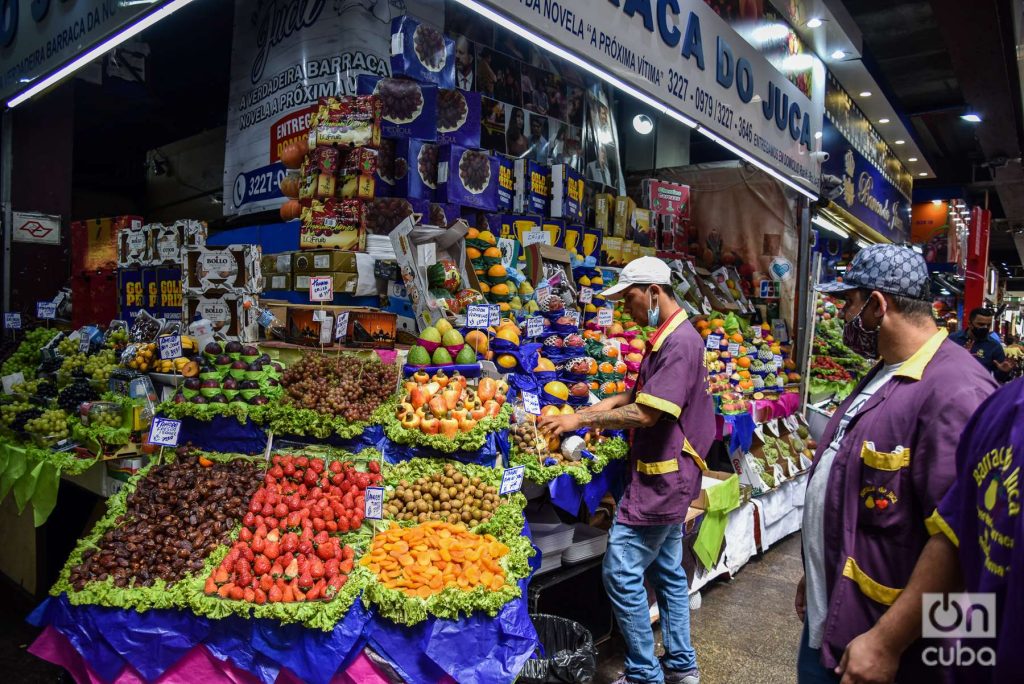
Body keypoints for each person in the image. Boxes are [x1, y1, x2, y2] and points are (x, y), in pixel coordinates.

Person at [795, 245, 997, 683]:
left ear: (878, 305)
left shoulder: (956, 391)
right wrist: (817, 572)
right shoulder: (889, 368)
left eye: (849, 303)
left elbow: (959, 536)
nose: (846, 314)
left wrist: (888, 641)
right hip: (836, 610)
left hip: (880, 642)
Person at [538, 257, 714, 684]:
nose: (627, 309)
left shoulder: (678, 344)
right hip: (671, 475)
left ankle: (642, 673)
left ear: (654, 292)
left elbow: (648, 415)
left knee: (620, 570)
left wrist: (580, 421)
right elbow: (637, 396)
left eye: (630, 298)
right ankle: (681, 666)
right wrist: (599, 406)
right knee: (669, 571)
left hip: (661, 479)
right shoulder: (671, 336)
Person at [950, 308, 1012, 379]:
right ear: (970, 324)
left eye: (988, 325)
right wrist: (961, 357)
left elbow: (1000, 378)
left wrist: (1004, 372)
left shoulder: (994, 346)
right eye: (981, 324)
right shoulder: (953, 340)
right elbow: (941, 365)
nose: (985, 327)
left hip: (980, 388)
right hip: (954, 385)